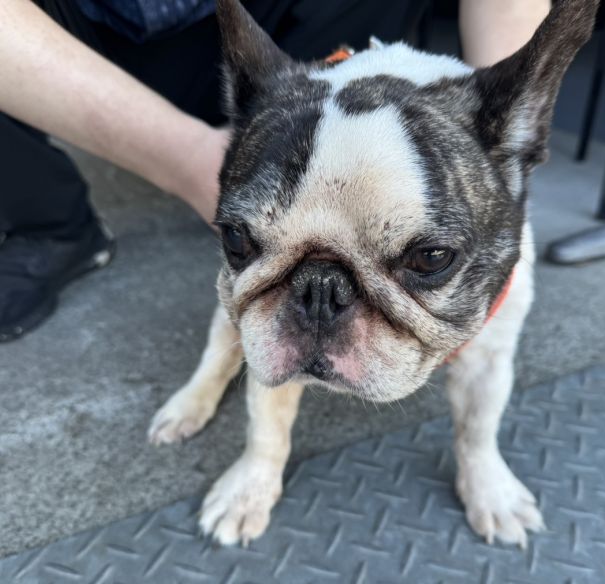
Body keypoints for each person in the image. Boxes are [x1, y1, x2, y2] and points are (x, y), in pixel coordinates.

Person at [0, 0, 550, 342]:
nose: (319, 305)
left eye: (425, 258)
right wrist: (193, 161)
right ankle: (55, 226)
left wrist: (490, 149)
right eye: (243, 242)